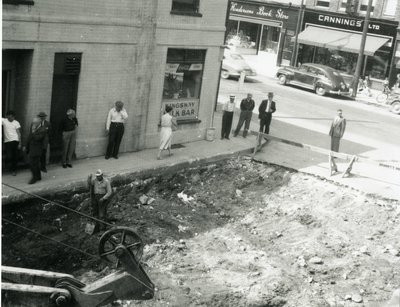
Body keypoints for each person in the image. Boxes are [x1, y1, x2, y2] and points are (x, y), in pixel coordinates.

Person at [26, 117, 47, 184]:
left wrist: (33, 131)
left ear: (39, 123)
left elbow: (38, 138)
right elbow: (30, 136)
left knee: (32, 164)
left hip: (37, 149)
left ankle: (34, 178)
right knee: (34, 164)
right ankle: (38, 176)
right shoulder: (33, 127)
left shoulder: (43, 129)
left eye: (35, 123)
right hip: (31, 148)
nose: (33, 124)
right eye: (33, 122)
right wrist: (26, 145)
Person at [2, 111, 21, 176]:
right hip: (7, 142)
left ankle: (14, 170)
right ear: (7, 117)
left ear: (13, 116)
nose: (10, 119)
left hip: (15, 141)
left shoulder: (16, 123)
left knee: (14, 156)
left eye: (11, 117)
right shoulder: (4, 121)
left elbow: (18, 133)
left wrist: (20, 143)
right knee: (9, 156)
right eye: (8, 117)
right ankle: (9, 168)